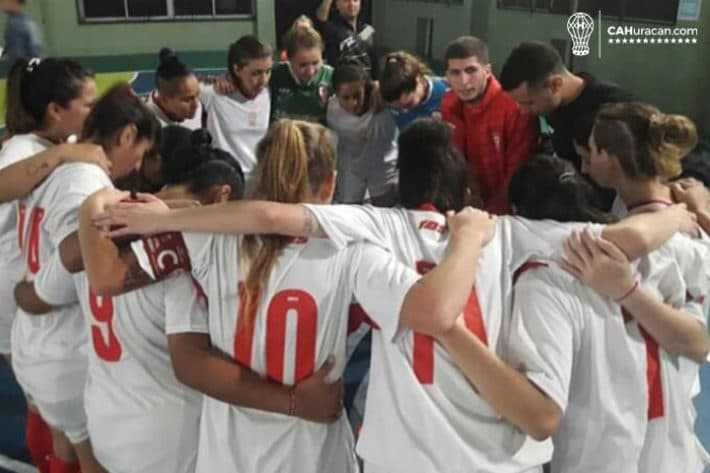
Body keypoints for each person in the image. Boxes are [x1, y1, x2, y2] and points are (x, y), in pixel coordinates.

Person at [94, 119, 696, 473]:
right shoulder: (497, 237)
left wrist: (161, 215)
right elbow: (626, 238)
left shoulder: (357, 236)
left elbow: (110, 276)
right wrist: (679, 211)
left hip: (256, 451)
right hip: (393, 452)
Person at [91, 118, 492, 473]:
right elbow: (432, 309)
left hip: (229, 455)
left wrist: (95, 200)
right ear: (330, 184)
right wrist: (468, 240)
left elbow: (103, 276)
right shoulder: (355, 251)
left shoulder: (204, 238)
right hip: (313, 453)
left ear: (257, 176)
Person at [16, 148, 244, 473]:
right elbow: (192, 362)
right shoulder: (182, 256)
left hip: (104, 416)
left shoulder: (91, 237)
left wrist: (17, 292)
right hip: (168, 434)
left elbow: (36, 296)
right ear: (221, 197)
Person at [12, 83, 159, 473]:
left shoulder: (58, 164)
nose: (139, 167)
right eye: (140, 153)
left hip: (40, 342)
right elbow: (75, 255)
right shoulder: (85, 180)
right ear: (127, 135)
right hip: (61, 348)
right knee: (93, 459)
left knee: (66, 442)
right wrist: (36, 294)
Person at [581, 102, 710, 472]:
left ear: (612, 158)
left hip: (643, 418)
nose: (585, 163)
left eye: (592, 151)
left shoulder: (660, 245)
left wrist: (627, 291)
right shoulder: (678, 208)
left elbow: (697, 342)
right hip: (658, 408)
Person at [0, 56, 108, 473]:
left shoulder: (48, 148)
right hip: (22, 300)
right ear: (55, 110)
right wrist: (66, 158)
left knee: (58, 418)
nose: (93, 112)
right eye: (88, 103)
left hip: (33, 297)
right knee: (57, 415)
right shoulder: (24, 150)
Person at [499, 40, 636, 209]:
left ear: (556, 84)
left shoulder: (616, 106)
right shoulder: (550, 107)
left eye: (529, 103)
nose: (523, 111)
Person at [441, 36, 538, 214]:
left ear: (487, 71)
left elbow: (517, 173)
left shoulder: (514, 109)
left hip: (508, 215)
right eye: (455, 73)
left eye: (471, 70)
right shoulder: (448, 105)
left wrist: (489, 215)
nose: (464, 81)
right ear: (447, 76)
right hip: (464, 212)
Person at [201, 35, 272, 185]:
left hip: (260, 182)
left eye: (268, 72)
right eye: (256, 73)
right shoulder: (213, 94)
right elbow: (181, 86)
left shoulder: (270, 92)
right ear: (237, 69)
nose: (264, 80)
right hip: (225, 181)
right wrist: (215, 79)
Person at [327, 64, 397, 204]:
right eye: (345, 97)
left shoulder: (382, 104)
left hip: (383, 166)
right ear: (335, 94)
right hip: (350, 168)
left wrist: (383, 89)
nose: (353, 103)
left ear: (366, 88)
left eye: (357, 95)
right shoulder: (331, 108)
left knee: (385, 211)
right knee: (349, 212)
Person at [270, 26, 333, 124]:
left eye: (315, 63)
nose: (310, 71)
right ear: (289, 59)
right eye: (303, 65)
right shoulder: (274, 74)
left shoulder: (331, 77)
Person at [379, 51, 448, 130]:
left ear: (417, 81)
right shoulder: (384, 96)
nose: (404, 111)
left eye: (408, 104)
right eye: (397, 108)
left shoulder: (447, 94)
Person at [315, 0, 378, 78]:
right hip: (344, 83)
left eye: (355, 0)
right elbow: (321, 19)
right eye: (346, 1)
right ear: (337, 4)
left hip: (367, 83)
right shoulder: (332, 30)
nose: (351, 4)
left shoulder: (367, 29)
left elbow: (374, 62)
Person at [146, 48, 202, 130]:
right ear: (164, 100)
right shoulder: (147, 127)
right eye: (187, 100)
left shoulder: (193, 101)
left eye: (197, 94)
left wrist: (224, 79)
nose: (196, 105)